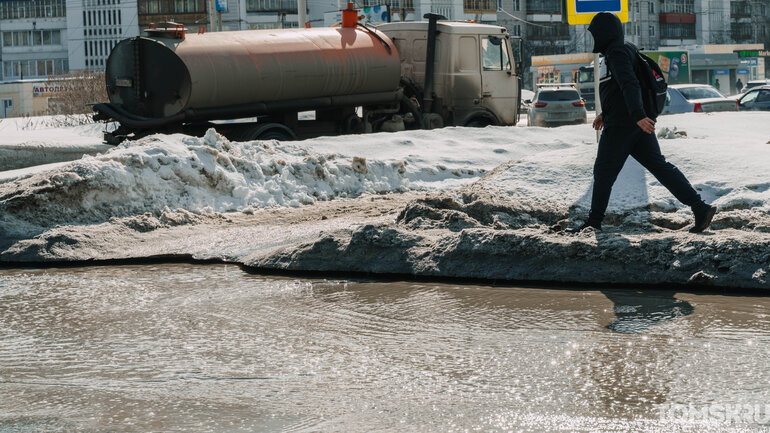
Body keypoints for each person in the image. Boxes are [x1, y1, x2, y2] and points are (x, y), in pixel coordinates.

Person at [570, 12, 716, 233]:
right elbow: (618, 89)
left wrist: (637, 115)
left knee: (603, 172)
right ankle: (699, 207)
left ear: (605, 33)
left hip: (625, 124)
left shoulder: (617, 51)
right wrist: (606, 114)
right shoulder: (624, 48)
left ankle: (594, 223)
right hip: (632, 122)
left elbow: (630, 84)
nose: (595, 38)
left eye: (596, 33)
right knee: (660, 167)